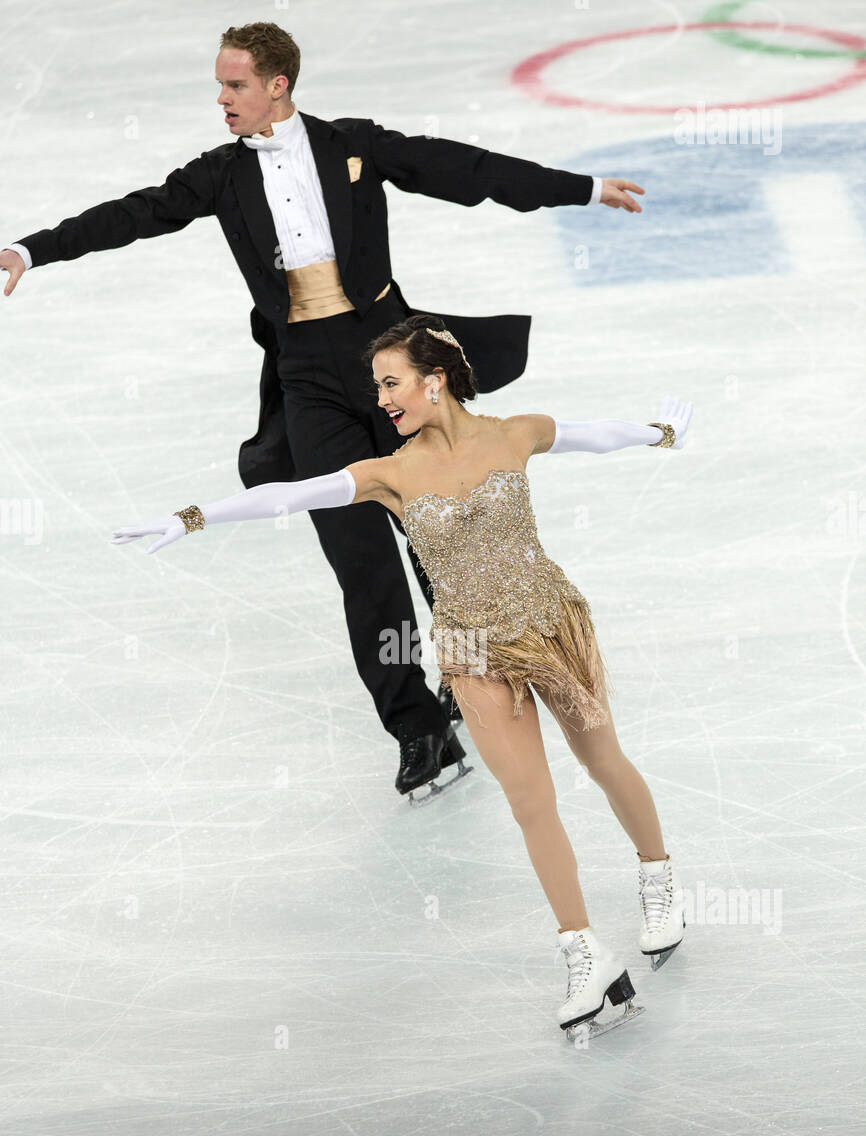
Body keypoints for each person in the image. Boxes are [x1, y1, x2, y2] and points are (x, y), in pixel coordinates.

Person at [0, 20, 647, 801]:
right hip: (307, 374)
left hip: (395, 359)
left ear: (278, 85)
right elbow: (136, 212)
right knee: (359, 560)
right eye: (221, 85)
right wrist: (30, 250)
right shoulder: (219, 175)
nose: (222, 99)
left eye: (235, 85)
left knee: (438, 533)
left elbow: (463, 169)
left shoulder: (354, 144)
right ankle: (417, 729)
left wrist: (579, 189)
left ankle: (468, 675)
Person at [111, 315, 691, 1040]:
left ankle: (658, 877)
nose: (381, 399)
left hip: (550, 623)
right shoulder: (390, 473)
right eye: (378, 386)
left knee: (601, 759)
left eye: (391, 383)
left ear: (434, 380)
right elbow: (288, 495)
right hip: (474, 650)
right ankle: (584, 952)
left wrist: (658, 433)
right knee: (530, 802)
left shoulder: (512, 433)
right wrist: (193, 517)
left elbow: (590, 433)